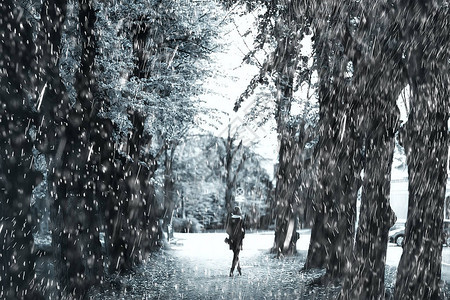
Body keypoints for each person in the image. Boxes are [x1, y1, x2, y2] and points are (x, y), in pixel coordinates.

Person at [225, 206, 245, 276]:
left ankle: (238, 268)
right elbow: (243, 232)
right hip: (238, 240)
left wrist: (231, 236)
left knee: (236, 254)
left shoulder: (231, 219)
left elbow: (227, 230)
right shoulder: (240, 220)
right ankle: (232, 270)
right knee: (236, 254)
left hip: (232, 240)